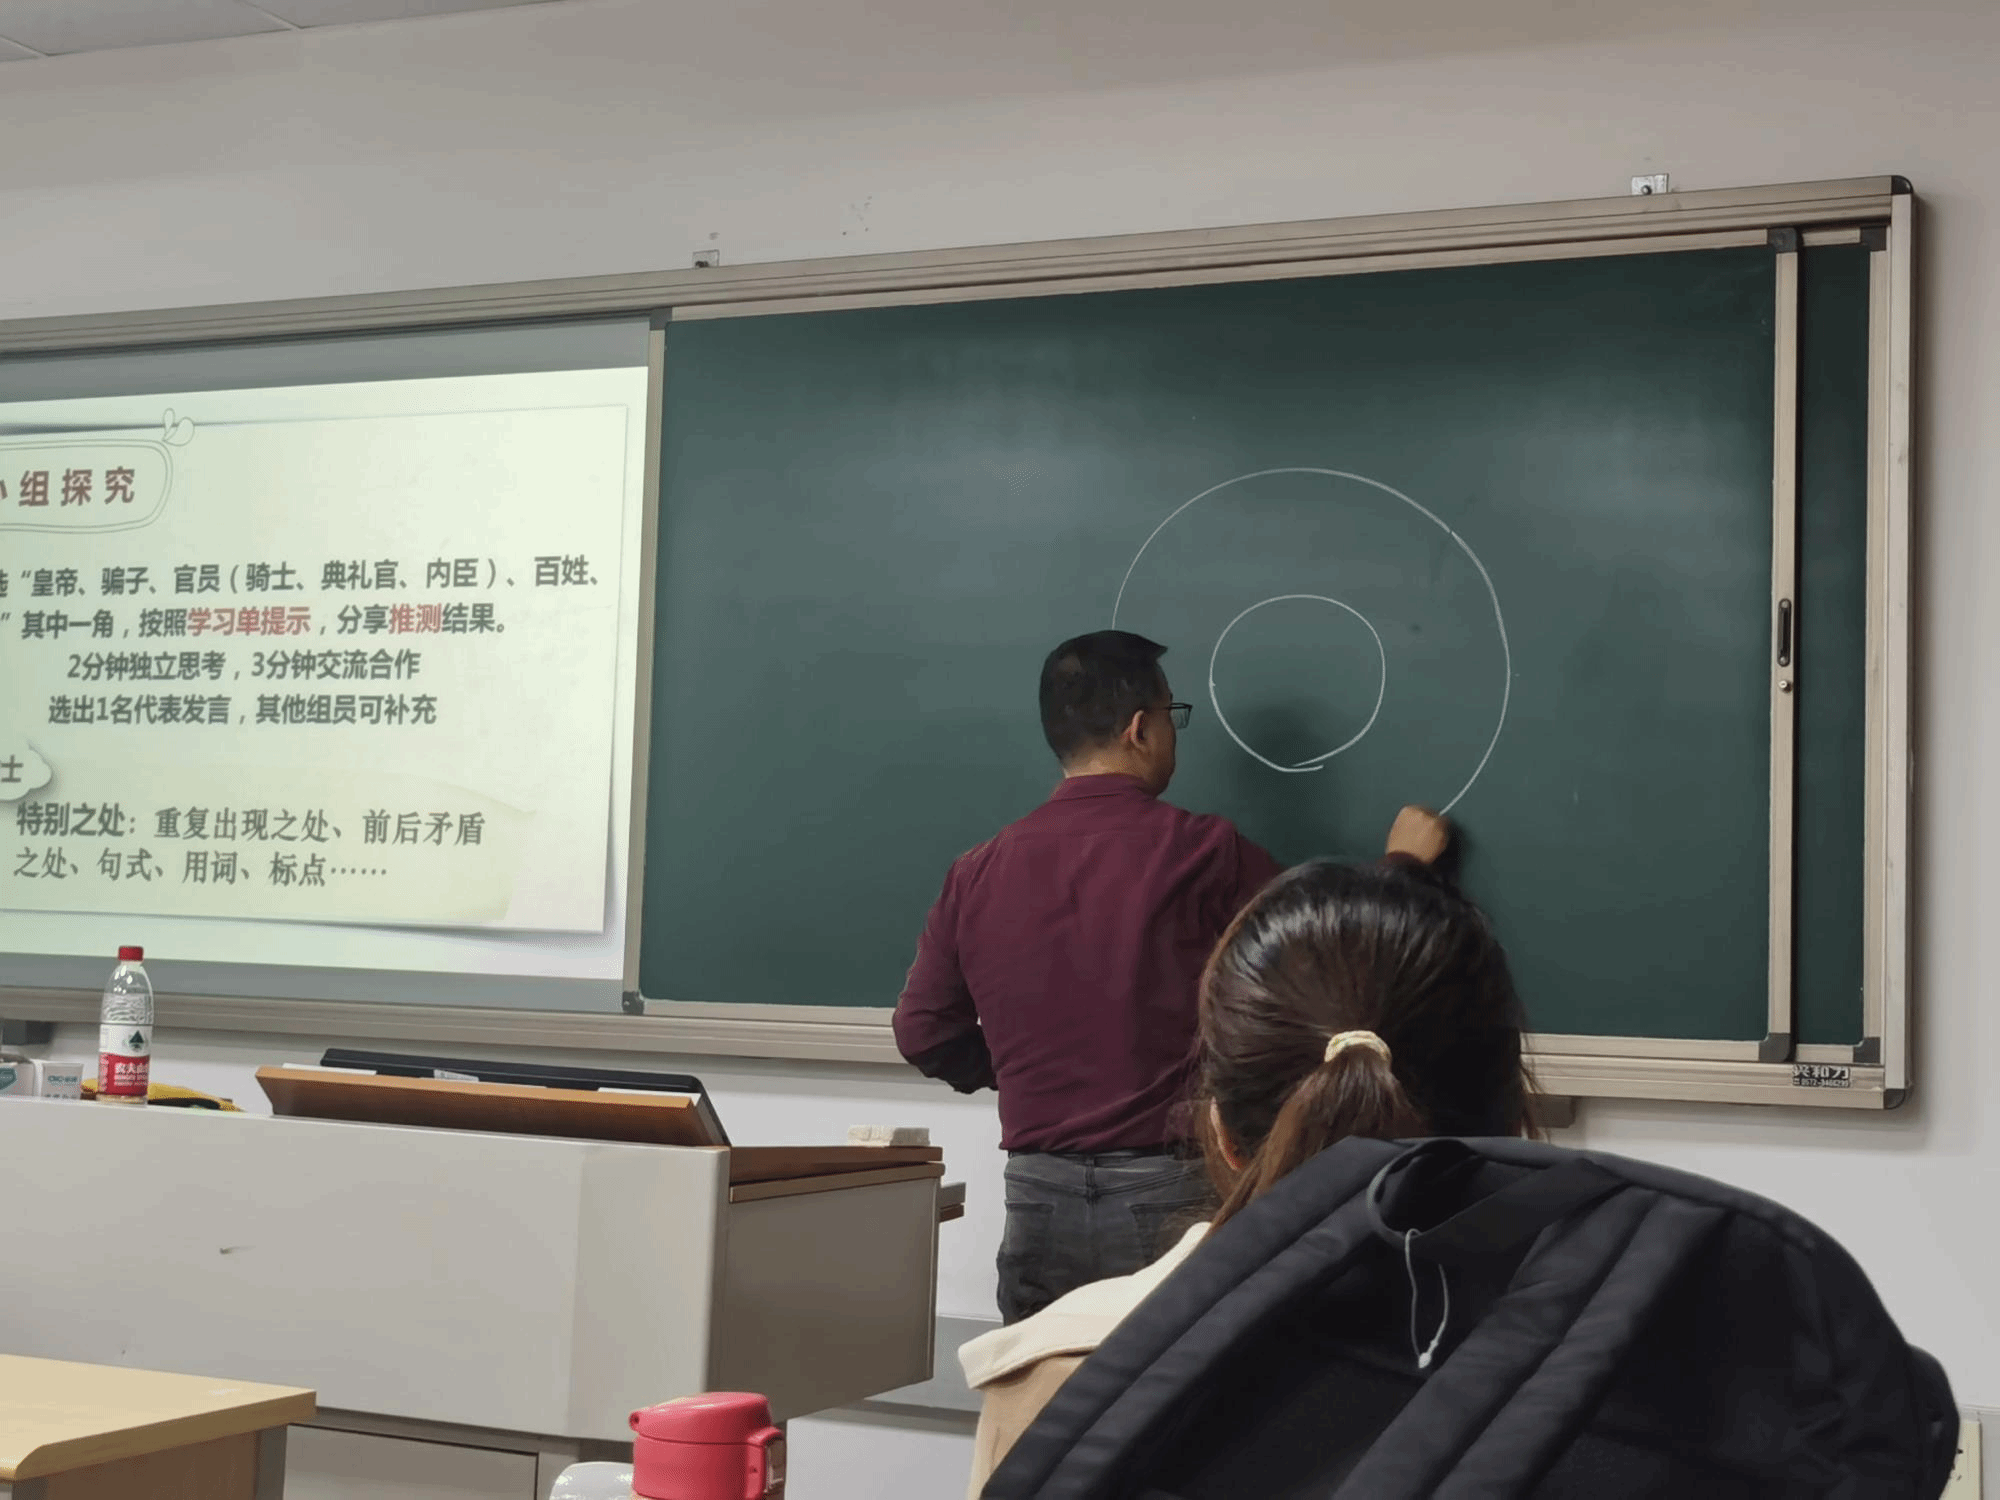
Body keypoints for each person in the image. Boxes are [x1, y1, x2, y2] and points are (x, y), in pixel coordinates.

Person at [894, 627, 1450, 1326]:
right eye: (1170, 716)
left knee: (1046, 1391)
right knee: (1178, 1387)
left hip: (1036, 1195)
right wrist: (1404, 866)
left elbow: (922, 1030)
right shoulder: (1203, 852)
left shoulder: (977, 871)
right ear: (1139, 729)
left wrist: (1027, 1073)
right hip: (1169, 1186)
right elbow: (1335, 949)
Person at [957, 849, 1527, 1493]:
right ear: (1509, 1117)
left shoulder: (1058, 1373)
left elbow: (924, 1027)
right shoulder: (1589, 1359)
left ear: (1223, 1131)